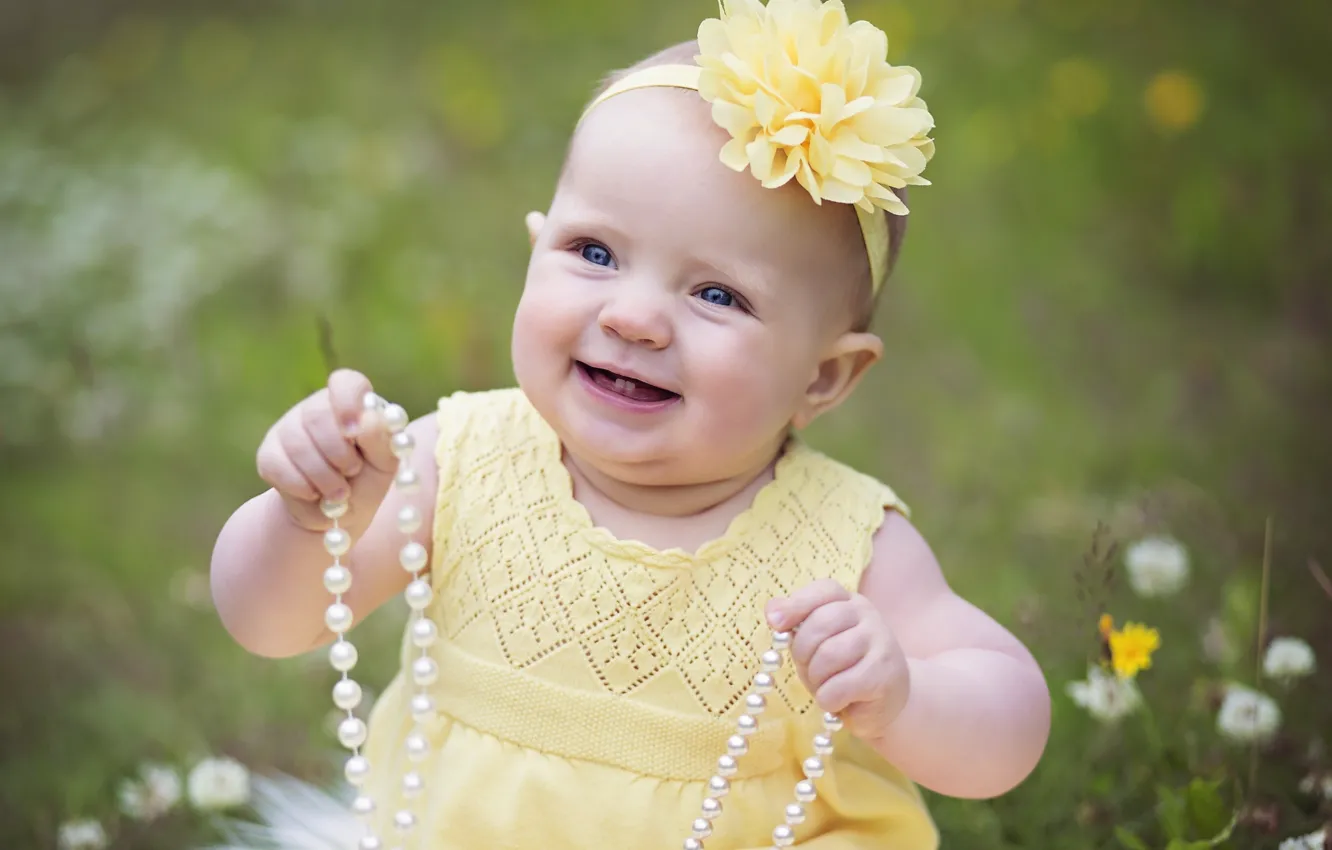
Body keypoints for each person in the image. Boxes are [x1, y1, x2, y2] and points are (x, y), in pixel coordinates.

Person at [210, 1, 1051, 847]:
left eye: (717, 295)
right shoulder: (455, 460)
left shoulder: (843, 546)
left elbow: (1009, 726)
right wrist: (305, 516)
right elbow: (270, 623)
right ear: (536, 251)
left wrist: (906, 698)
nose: (636, 317)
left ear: (823, 375)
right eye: (596, 253)